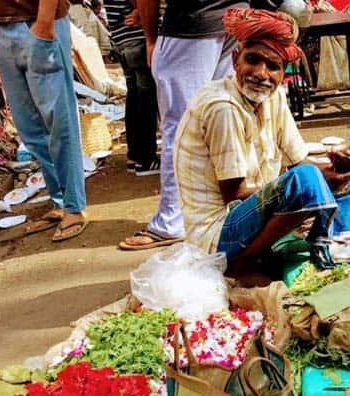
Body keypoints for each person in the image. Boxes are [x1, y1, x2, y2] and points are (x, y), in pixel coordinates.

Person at [173, 8, 350, 275]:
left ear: (282, 73)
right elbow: (234, 192)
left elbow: (299, 157)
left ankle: (335, 243)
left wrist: (335, 162)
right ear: (235, 60)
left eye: (273, 67)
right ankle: (243, 263)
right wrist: (313, 178)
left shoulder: (273, 95)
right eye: (252, 60)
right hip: (218, 233)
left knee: (349, 177)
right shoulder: (222, 107)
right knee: (307, 179)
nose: (261, 73)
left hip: (252, 212)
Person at [118, 0, 245, 250]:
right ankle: (220, 211)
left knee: (181, 127)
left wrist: (151, 38)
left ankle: (171, 222)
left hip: (191, 22)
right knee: (222, 118)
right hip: (235, 17)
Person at [0, 0, 89, 241]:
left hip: (37, 21)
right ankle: (59, 201)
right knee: (30, 127)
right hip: (1, 25)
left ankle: (74, 206)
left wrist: (44, 23)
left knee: (58, 120)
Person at [103, 0, 159, 175]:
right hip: (138, 37)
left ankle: (135, 155)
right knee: (147, 98)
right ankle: (146, 159)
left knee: (135, 96)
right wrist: (140, 11)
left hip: (122, 40)